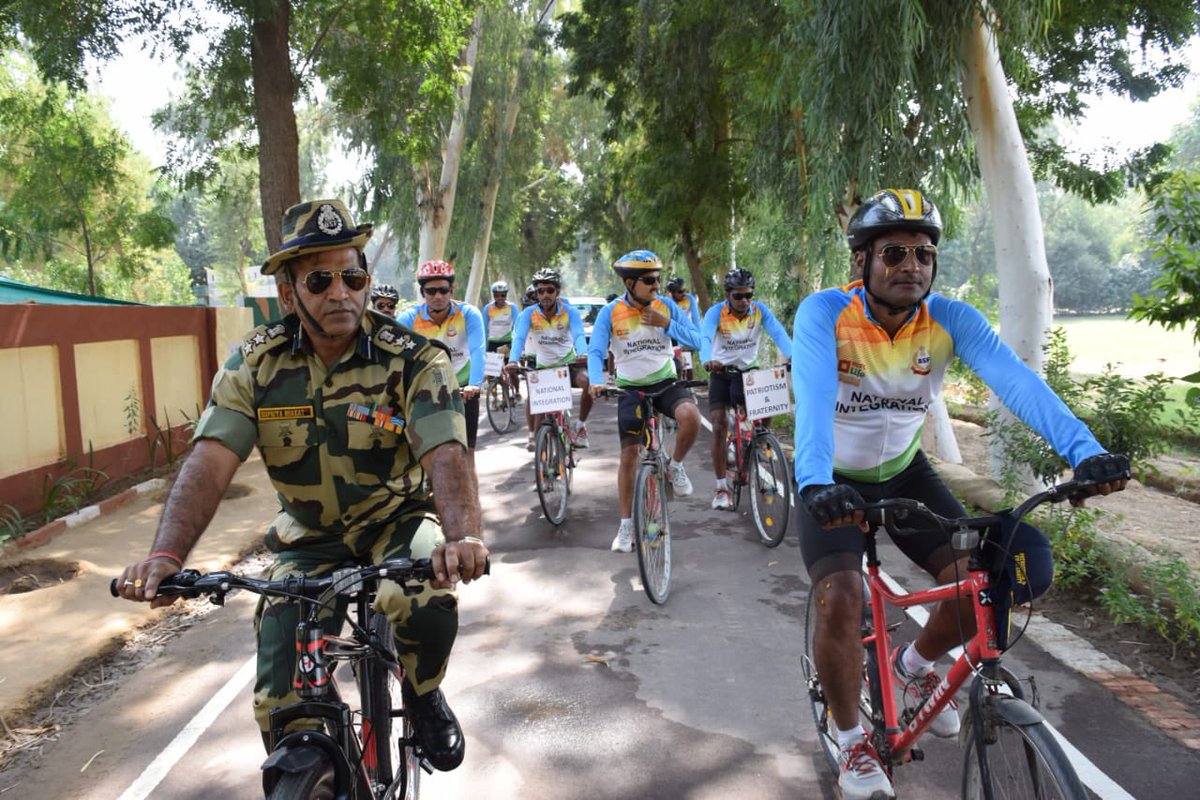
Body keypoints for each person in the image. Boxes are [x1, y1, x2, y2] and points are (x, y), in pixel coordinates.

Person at [115, 199, 488, 774]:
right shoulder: (255, 367)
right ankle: (313, 754)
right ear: (289, 295)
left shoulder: (413, 360)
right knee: (280, 697)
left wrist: (462, 537)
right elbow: (210, 459)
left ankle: (420, 690)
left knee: (422, 595)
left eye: (353, 276)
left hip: (398, 522)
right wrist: (167, 556)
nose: (341, 292)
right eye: (320, 279)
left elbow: (446, 450)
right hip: (309, 538)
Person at [791, 188, 1130, 800]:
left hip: (904, 472)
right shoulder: (825, 313)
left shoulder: (951, 319)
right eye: (893, 252)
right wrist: (815, 482)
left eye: (923, 254)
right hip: (833, 480)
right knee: (841, 598)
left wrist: (1085, 452)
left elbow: (1017, 384)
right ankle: (851, 742)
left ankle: (913, 666)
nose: (910, 266)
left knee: (986, 574)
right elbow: (812, 400)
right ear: (861, 262)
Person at [587, 250, 704, 552]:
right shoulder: (610, 312)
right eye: (649, 280)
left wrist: (666, 323)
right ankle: (626, 526)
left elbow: (697, 340)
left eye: (657, 279)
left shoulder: (665, 307)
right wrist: (596, 381)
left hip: (666, 384)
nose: (656, 285)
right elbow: (597, 351)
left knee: (690, 416)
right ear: (630, 283)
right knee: (628, 456)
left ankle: (675, 466)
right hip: (631, 390)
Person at [700, 267, 792, 511]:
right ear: (728, 295)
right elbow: (705, 338)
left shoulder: (760, 312)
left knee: (769, 406)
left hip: (748, 374)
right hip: (721, 373)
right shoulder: (715, 313)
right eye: (738, 296)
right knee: (719, 424)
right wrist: (706, 359)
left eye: (748, 295)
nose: (744, 301)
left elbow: (779, 334)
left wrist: (794, 356)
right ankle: (721, 487)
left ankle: (757, 445)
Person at [396, 260, 486, 458]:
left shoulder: (469, 314)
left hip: (463, 391)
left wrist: (475, 385)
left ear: (452, 290)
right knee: (419, 453)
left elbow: (478, 350)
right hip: (426, 392)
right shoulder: (408, 319)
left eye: (443, 290)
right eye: (431, 291)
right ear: (422, 293)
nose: (438, 296)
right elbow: (396, 359)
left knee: (467, 455)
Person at [507, 268, 592, 451]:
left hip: (568, 366)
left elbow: (578, 335)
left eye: (550, 290)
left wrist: (582, 353)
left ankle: (581, 426)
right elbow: (519, 338)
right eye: (540, 291)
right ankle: (542, 455)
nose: (545, 295)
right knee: (539, 414)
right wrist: (513, 360)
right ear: (536, 293)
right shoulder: (528, 314)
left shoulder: (570, 312)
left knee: (589, 382)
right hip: (543, 369)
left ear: (557, 291)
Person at [666, 276, 702, 379]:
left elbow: (696, 319)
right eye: (680, 291)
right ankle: (678, 387)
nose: (683, 294)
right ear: (672, 293)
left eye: (684, 290)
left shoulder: (689, 299)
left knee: (687, 365)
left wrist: (698, 336)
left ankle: (690, 388)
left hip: (687, 335)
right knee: (678, 366)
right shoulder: (667, 302)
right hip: (674, 338)